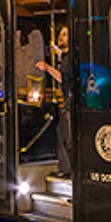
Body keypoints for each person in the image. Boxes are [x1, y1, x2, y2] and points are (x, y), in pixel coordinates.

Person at [37, 26, 71, 177]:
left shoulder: (69, 59)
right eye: (60, 34)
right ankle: (65, 169)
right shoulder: (66, 57)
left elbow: (64, 78)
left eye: (65, 35)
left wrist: (47, 68)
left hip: (71, 104)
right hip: (67, 103)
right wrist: (57, 52)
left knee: (67, 138)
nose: (60, 37)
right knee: (61, 134)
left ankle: (69, 170)